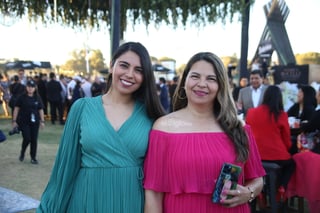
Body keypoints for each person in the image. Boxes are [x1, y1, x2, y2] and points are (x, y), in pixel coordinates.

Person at [37, 42, 165, 212]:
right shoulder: (81, 108)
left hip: (131, 202)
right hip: (85, 201)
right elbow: (65, 166)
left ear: (146, 76)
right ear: (112, 66)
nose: (129, 74)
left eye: (139, 70)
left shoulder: (152, 117)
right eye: (124, 66)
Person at [143, 52, 265, 213]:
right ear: (184, 81)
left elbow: (257, 179)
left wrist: (248, 194)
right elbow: (153, 192)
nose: (202, 84)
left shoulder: (238, 127)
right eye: (195, 76)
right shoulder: (164, 127)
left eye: (211, 79)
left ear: (221, 85)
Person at [245, 85, 295, 198]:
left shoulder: (251, 112)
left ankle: (261, 192)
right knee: (291, 164)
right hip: (277, 156)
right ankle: (281, 187)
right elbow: (287, 140)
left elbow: (247, 134)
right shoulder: (281, 114)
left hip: (255, 156)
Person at [11, 80, 45, 164]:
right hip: (24, 121)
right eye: (29, 87)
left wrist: (42, 121)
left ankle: (33, 157)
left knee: (34, 140)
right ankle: (22, 152)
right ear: (26, 87)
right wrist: (14, 120)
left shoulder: (37, 97)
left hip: (35, 122)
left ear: (34, 88)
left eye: (32, 87)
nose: (30, 89)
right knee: (27, 138)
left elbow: (40, 109)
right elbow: (16, 108)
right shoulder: (21, 97)